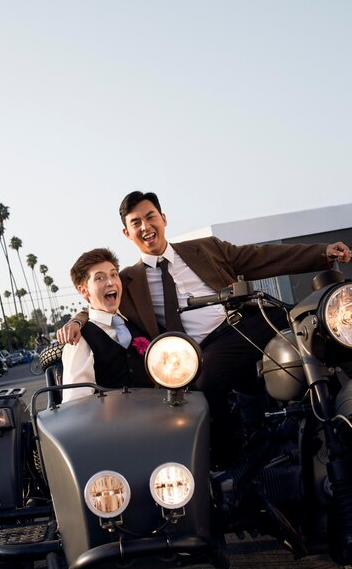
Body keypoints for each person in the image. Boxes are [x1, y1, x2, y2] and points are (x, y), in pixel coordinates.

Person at [58, 192, 351, 462]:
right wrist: (76, 321)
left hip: (241, 324)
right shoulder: (126, 279)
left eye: (150, 217)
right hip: (201, 351)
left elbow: (260, 258)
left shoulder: (204, 249)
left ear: (163, 219)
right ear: (127, 233)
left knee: (311, 325)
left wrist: (321, 253)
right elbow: (97, 305)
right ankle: (232, 463)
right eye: (136, 223)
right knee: (203, 382)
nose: (146, 226)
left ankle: (341, 405)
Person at [61, 247, 152, 402]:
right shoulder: (80, 339)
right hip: (112, 424)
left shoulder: (136, 323)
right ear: (84, 291)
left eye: (114, 274)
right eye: (100, 278)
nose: (111, 282)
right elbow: (76, 402)